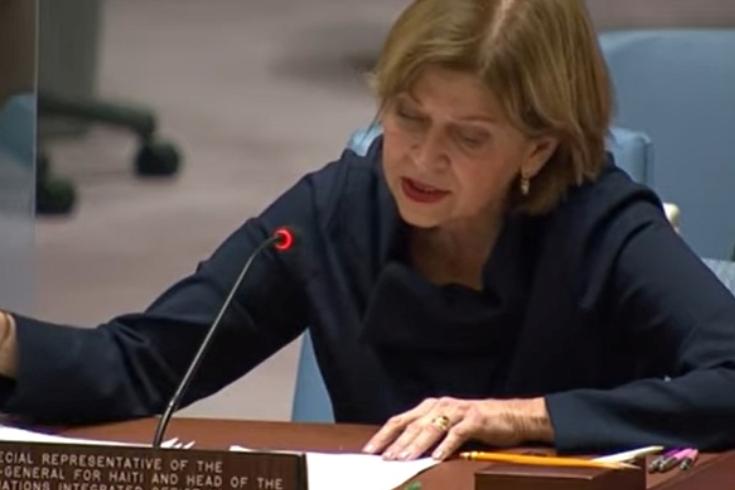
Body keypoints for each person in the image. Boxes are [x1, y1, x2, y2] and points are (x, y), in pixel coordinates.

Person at [2, 0, 735, 460]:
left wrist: (530, 418)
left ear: (537, 150)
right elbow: (147, 364)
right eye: (408, 117)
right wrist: (7, 341)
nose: (422, 158)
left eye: (468, 137)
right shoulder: (333, 213)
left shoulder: (598, 226)